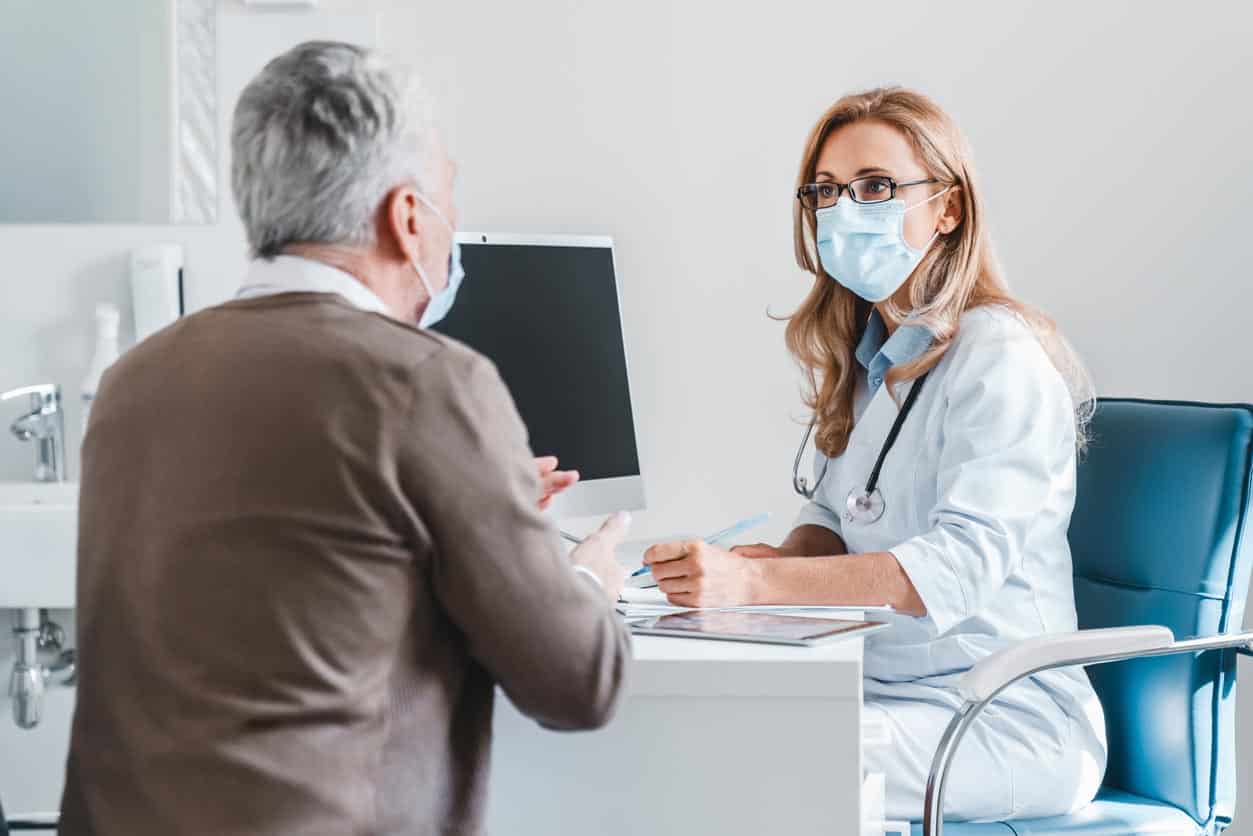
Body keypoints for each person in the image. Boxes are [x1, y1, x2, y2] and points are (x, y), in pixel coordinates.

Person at [59, 41, 631, 836]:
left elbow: (296, 582)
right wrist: (586, 575)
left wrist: (478, 506)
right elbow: (578, 684)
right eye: (448, 198)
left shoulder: (133, 381)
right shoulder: (429, 383)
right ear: (407, 217)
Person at [644, 87, 1107, 822]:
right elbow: (835, 512)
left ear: (948, 208)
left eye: (875, 187)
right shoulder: (878, 359)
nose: (844, 209)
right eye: (826, 191)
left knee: (737, 756)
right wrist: (783, 560)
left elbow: (954, 567)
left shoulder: (1000, 357)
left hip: (999, 718)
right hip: (879, 687)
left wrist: (748, 588)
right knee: (685, 723)